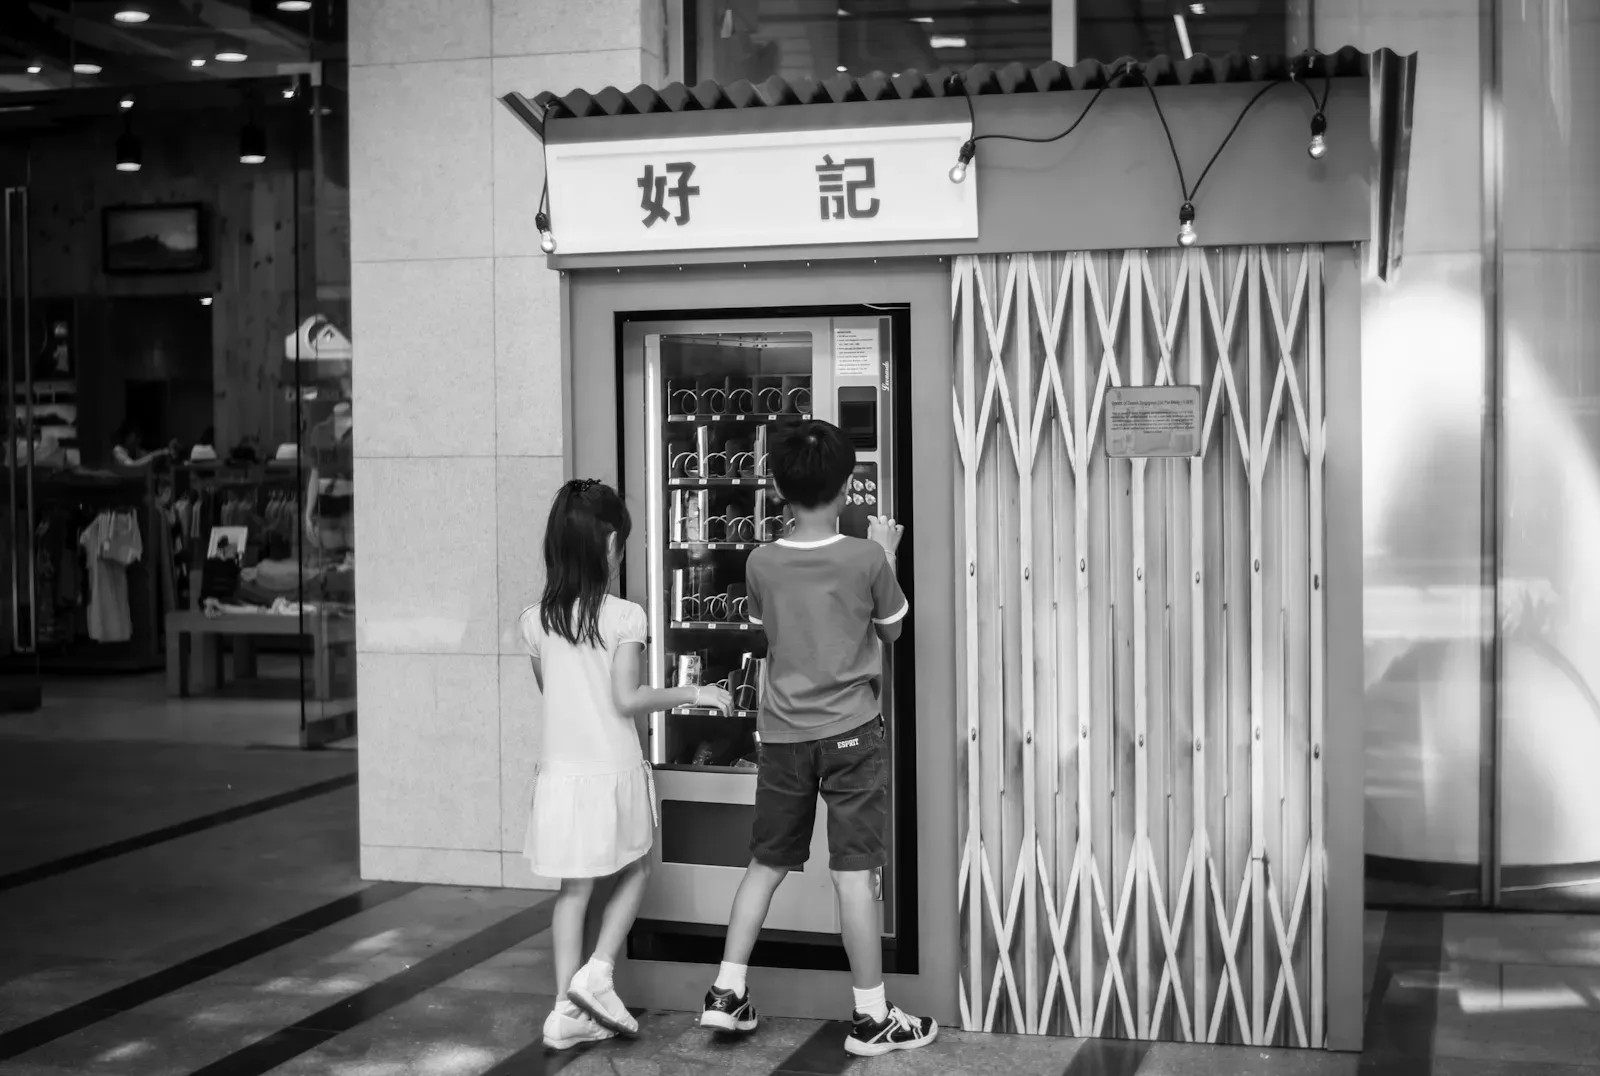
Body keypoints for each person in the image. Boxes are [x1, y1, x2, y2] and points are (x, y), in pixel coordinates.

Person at [700, 420, 934, 1058]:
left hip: (781, 735)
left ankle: (726, 990)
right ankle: (871, 1016)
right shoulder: (865, 557)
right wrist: (885, 552)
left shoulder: (760, 561)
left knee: (766, 862)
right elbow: (891, 630)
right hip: (851, 733)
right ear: (848, 486)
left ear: (777, 488)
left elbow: (763, 625)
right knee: (855, 874)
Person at [520, 479, 732, 1051]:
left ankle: (564, 1011)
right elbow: (625, 698)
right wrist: (695, 693)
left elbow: (552, 692)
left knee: (573, 890)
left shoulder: (535, 621)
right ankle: (599, 972)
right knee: (636, 869)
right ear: (612, 543)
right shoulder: (624, 617)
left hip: (560, 776)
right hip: (611, 769)